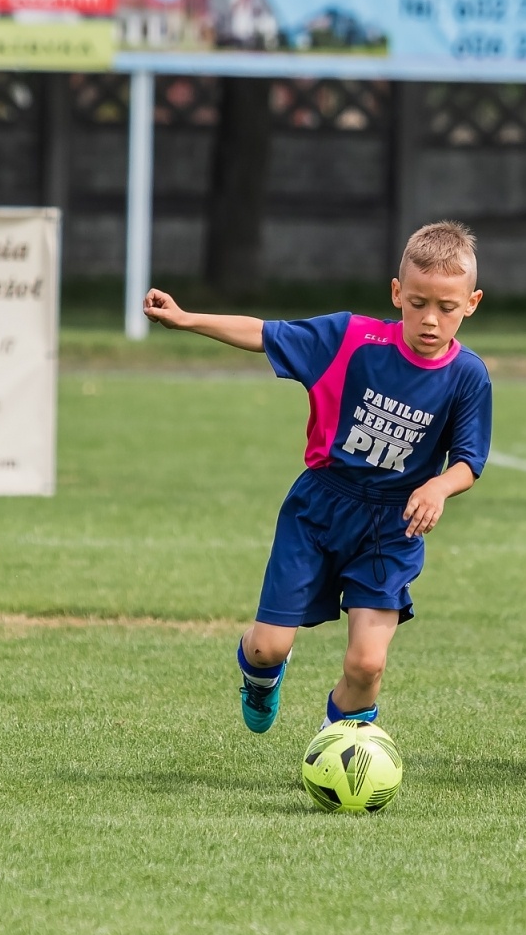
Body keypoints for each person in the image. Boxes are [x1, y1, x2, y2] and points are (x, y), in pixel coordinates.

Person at [142, 221, 493, 733]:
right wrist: (187, 319)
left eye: (447, 307)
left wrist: (439, 486)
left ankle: (342, 747)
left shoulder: (468, 376)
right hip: (319, 509)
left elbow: (468, 459)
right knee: (267, 648)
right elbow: (264, 333)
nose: (430, 319)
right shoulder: (351, 338)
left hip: (392, 527)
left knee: (367, 664)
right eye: (418, 303)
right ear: (397, 293)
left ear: (472, 303)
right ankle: (262, 678)